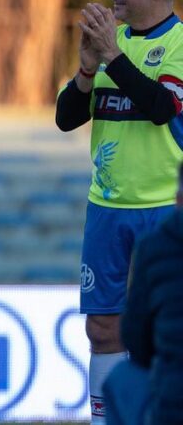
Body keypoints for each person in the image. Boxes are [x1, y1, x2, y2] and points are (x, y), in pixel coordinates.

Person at [55, 0, 183, 424]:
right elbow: (67, 119)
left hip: (165, 212)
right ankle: (107, 418)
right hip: (107, 209)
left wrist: (112, 55)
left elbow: (161, 108)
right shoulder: (112, 42)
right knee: (102, 329)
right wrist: (88, 69)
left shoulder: (178, 44)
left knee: (171, 325)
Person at [102, 163, 183, 425]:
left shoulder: (156, 247)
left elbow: (136, 340)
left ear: (178, 199)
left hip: (172, 404)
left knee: (122, 378)